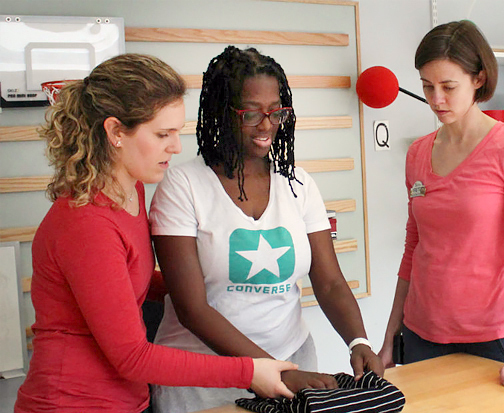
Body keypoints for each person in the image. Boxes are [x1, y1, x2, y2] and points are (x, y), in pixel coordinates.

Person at [14, 54, 297, 413]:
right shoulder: (86, 224)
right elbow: (133, 357)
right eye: (163, 134)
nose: (176, 147)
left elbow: (125, 283)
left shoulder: (132, 190)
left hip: (126, 400)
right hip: (71, 403)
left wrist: (210, 280)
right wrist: (249, 371)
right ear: (116, 132)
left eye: (176, 132)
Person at [148, 46, 384, 413]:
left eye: (276, 111)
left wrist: (358, 341)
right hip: (203, 379)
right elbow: (192, 308)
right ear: (221, 113)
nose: (267, 125)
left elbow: (330, 282)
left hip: (292, 362)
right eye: (252, 113)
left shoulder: (299, 184)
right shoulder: (182, 186)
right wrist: (269, 370)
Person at [378, 20, 504, 395]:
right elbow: (413, 249)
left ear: (478, 79)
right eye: (427, 86)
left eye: (448, 86)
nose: (435, 99)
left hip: (495, 340)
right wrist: (390, 336)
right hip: (421, 336)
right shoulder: (417, 154)